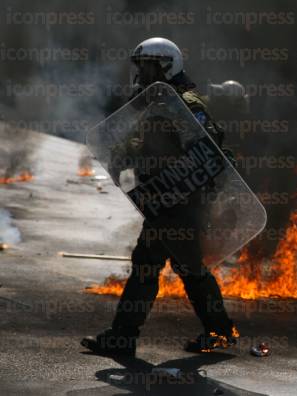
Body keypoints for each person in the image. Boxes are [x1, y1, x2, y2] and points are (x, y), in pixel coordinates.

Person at [82, 37, 238, 356]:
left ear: (167, 66)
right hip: (165, 201)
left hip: (181, 203)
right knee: (187, 269)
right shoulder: (158, 104)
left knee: (149, 264)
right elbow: (146, 145)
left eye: (148, 66)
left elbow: (207, 151)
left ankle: (123, 338)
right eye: (140, 67)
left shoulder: (187, 104)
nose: (141, 74)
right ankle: (219, 332)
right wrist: (120, 156)